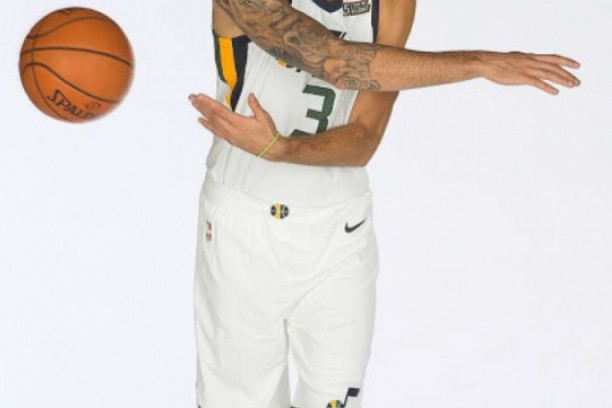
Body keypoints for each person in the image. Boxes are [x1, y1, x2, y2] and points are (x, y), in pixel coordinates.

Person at [189, 1, 580, 407]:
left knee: (336, 398)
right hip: (242, 227)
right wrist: (480, 64)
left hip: (339, 230)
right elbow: (335, 61)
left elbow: (363, 138)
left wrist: (283, 149)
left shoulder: (392, 5)